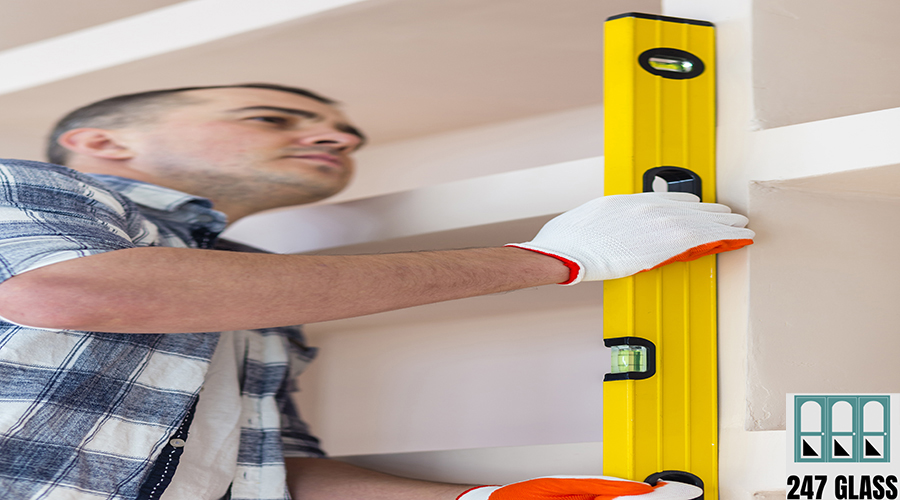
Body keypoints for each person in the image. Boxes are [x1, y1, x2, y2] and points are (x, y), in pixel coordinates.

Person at [0, 83, 752, 500]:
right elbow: (69, 289)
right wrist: (551, 259)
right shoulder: (21, 184)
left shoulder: (252, 289)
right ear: (102, 144)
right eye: (274, 117)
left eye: (344, 130)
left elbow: (270, 469)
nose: (341, 137)